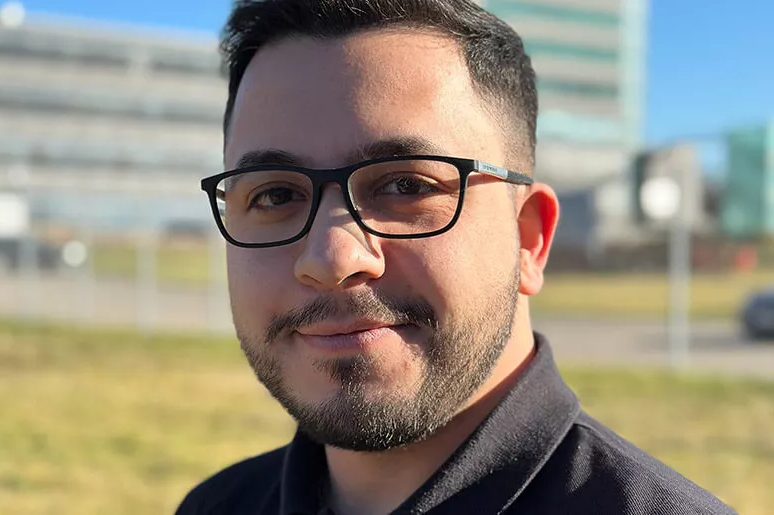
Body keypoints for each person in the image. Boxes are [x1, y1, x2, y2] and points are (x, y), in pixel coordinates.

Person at [176, 1, 737, 513]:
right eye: (274, 195)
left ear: (529, 239)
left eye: (405, 186)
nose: (331, 258)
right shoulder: (216, 506)